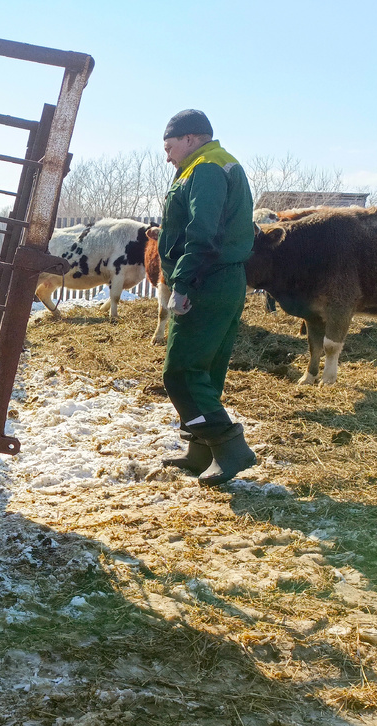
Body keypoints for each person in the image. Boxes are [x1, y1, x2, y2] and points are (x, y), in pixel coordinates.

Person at [155, 109, 257, 486]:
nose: (168, 156)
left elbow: (203, 230)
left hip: (206, 279)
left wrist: (181, 283)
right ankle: (200, 451)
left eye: (169, 147)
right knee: (205, 370)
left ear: (190, 138)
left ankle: (229, 447)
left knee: (182, 372)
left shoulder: (207, 168)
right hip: (221, 278)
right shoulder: (214, 163)